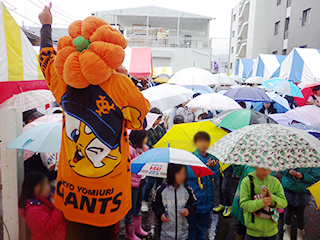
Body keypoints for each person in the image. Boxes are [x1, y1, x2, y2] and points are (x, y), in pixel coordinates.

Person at [38, 6, 150, 240]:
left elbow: (47, 61)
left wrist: (46, 26)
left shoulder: (64, 82)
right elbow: (139, 119)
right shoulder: (120, 85)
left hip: (70, 192)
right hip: (109, 198)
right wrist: (122, 76)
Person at [188, 132, 221, 240]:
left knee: (203, 227)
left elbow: (217, 176)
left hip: (207, 199)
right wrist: (201, 169)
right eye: (200, 142)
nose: (203, 144)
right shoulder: (191, 157)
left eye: (205, 142)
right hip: (195, 199)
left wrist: (213, 168)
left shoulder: (212, 158)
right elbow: (186, 175)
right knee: (191, 227)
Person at [240, 167, 287, 240]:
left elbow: (284, 203)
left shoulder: (275, 182)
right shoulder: (247, 181)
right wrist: (261, 202)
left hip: (272, 231)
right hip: (253, 232)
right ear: (255, 166)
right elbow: (243, 204)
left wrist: (271, 197)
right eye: (263, 168)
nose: (266, 171)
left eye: (269, 168)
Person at [152, 164, 197, 240]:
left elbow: (193, 204)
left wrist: (188, 210)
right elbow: (155, 206)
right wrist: (161, 214)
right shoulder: (161, 190)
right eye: (179, 173)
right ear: (171, 173)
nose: (182, 176)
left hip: (183, 233)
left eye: (184, 173)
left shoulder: (187, 189)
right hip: (165, 234)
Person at [18, 172, 65, 240]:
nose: (47, 187)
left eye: (47, 184)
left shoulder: (46, 200)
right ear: (31, 188)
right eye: (42, 185)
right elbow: (49, 227)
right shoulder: (33, 210)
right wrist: (59, 207)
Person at [281, 167, 320, 240]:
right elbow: (281, 167)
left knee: (300, 213)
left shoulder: (312, 160)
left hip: (303, 192)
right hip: (289, 189)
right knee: (288, 211)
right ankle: (286, 230)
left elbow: (315, 176)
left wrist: (303, 176)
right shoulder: (287, 156)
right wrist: (288, 171)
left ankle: (300, 232)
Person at [125, 130, 149, 240]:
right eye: (145, 138)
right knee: (131, 208)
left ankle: (137, 228)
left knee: (138, 205)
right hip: (132, 183)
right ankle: (129, 233)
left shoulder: (142, 148)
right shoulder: (129, 149)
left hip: (142, 181)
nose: (146, 140)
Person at [142, 108, 166, 212]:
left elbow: (164, 140)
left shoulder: (160, 129)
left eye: (160, 119)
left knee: (159, 181)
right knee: (150, 181)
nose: (159, 121)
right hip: (151, 158)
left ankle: (157, 200)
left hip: (161, 158)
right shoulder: (146, 130)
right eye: (158, 119)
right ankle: (144, 200)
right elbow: (148, 145)